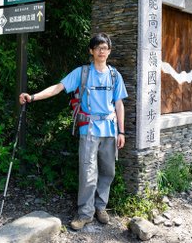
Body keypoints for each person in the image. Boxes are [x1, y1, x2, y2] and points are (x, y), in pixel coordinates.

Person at [19, 33, 128, 230]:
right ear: (91, 51)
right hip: (89, 129)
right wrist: (33, 97)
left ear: (109, 51)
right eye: (98, 48)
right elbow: (58, 88)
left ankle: (100, 207)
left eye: (105, 48)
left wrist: (121, 132)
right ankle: (85, 213)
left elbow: (119, 104)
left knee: (107, 171)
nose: (102, 51)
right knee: (87, 172)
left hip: (110, 131)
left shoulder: (115, 75)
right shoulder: (82, 73)